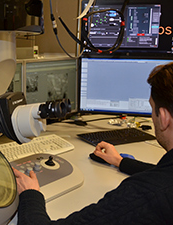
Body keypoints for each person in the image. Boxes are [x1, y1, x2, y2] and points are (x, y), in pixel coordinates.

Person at [13, 62, 173, 224]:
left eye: (152, 109)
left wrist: (30, 194)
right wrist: (120, 161)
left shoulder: (144, 195)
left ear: (164, 117)